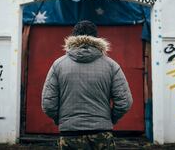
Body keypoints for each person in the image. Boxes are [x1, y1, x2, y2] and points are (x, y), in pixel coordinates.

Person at [41, 20, 133, 150]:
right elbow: (124, 102)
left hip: (70, 135)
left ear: (73, 38)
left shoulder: (58, 65)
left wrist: (62, 120)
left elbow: (48, 104)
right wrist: (110, 119)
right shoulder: (112, 66)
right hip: (102, 134)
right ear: (96, 39)